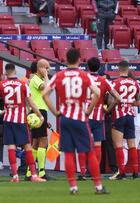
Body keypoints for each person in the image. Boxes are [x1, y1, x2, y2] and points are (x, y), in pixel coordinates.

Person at [43, 48, 108, 195]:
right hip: (80, 118)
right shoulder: (84, 75)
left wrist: (55, 111)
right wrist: (89, 109)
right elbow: (97, 93)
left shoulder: (59, 75)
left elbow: (45, 93)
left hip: (65, 118)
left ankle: (73, 187)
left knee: (69, 153)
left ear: (66, 60)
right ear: (79, 60)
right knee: (90, 151)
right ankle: (98, 186)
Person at [0, 63, 46, 183]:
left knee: (11, 146)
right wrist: (40, 116)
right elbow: (32, 102)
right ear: (15, 71)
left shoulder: (1, 84)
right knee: (27, 145)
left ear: (6, 72)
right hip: (21, 119)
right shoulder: (23, 83)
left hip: (8, 119)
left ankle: (15, 176)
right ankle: (34, 175)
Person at [78, 57, 120, 181]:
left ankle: (82, 172)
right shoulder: (104, 80)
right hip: (98, 117)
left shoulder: (82, 78)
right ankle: (95, 172)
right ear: (99, 67)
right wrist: (108, 109)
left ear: (88, 67)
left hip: (84, 115)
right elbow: (117, 97)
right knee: (97, 145)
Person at [111, 60, 140, 180]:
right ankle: (135, 172)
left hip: (119, 115)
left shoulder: (116, 83)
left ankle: (122, 172)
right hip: (130, 115)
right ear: (128, 69)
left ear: (119, 69)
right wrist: (129, 102)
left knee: (118, 145)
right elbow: (139, 103)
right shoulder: (135, 83)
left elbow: (113, 100)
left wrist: (108, 109)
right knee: (132, 145)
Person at [25, 59, 50, 180]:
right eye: (46, 68)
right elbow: (46, 89)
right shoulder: (35, 79)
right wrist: (46, 76)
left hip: (38, 111)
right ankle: (41, 172)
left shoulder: (35, 79)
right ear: (40, 68)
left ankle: (30, 172)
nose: (47, 70)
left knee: (35, 143)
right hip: (39, 111)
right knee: (43, 141)